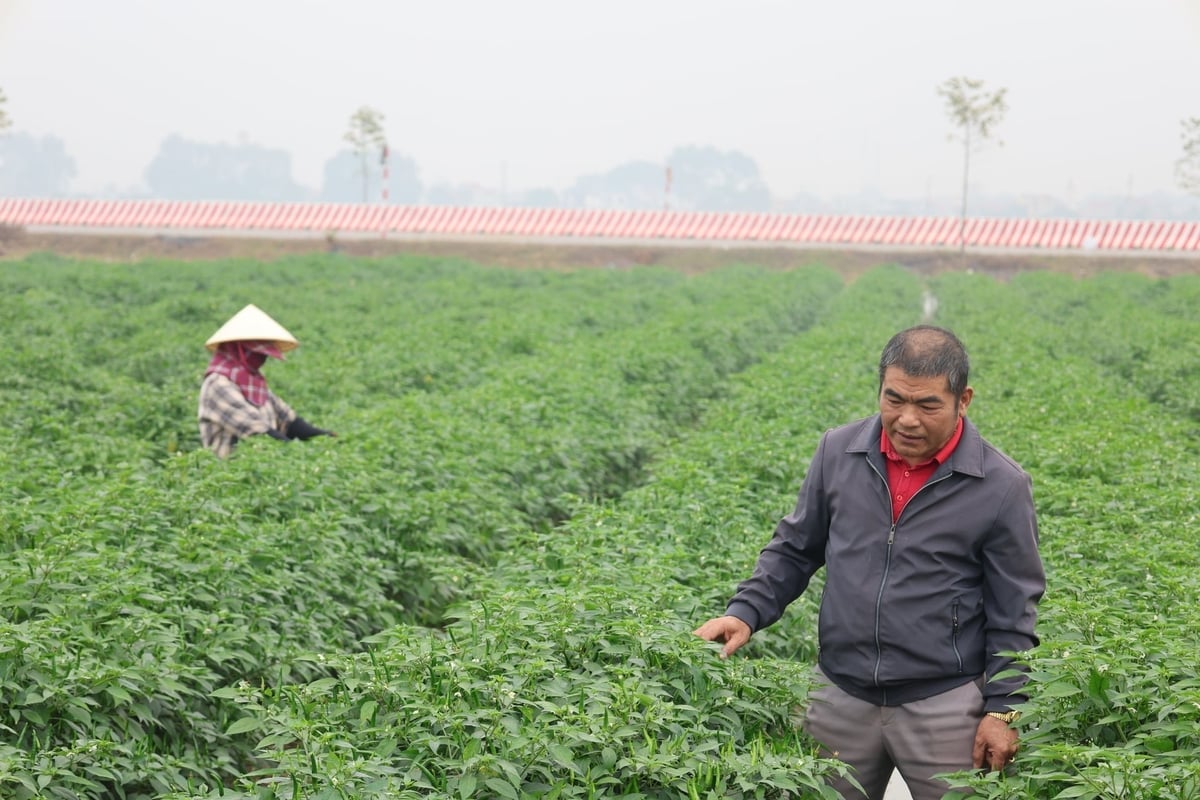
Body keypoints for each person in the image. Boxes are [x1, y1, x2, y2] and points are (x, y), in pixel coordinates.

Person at [694, 325, 1044, 800]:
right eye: (894, 399)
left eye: (927, 405)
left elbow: (1014, 610)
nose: (907, 420)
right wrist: (745, 612)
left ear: (964, 400)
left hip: (944, 703)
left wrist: (1003, 709)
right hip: (839, 695)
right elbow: (796, 547)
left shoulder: (1000, 485)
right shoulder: (838, 452)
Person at [198, 303, 335, 458]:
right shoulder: (218, 384)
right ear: (238, 350)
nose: (262, 358)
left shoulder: (253, 383)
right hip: (228, 475)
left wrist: (327, 437)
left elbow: (289, 421)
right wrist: (298, 455)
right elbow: (257, 431)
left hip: (259, 467)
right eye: (256, 353)